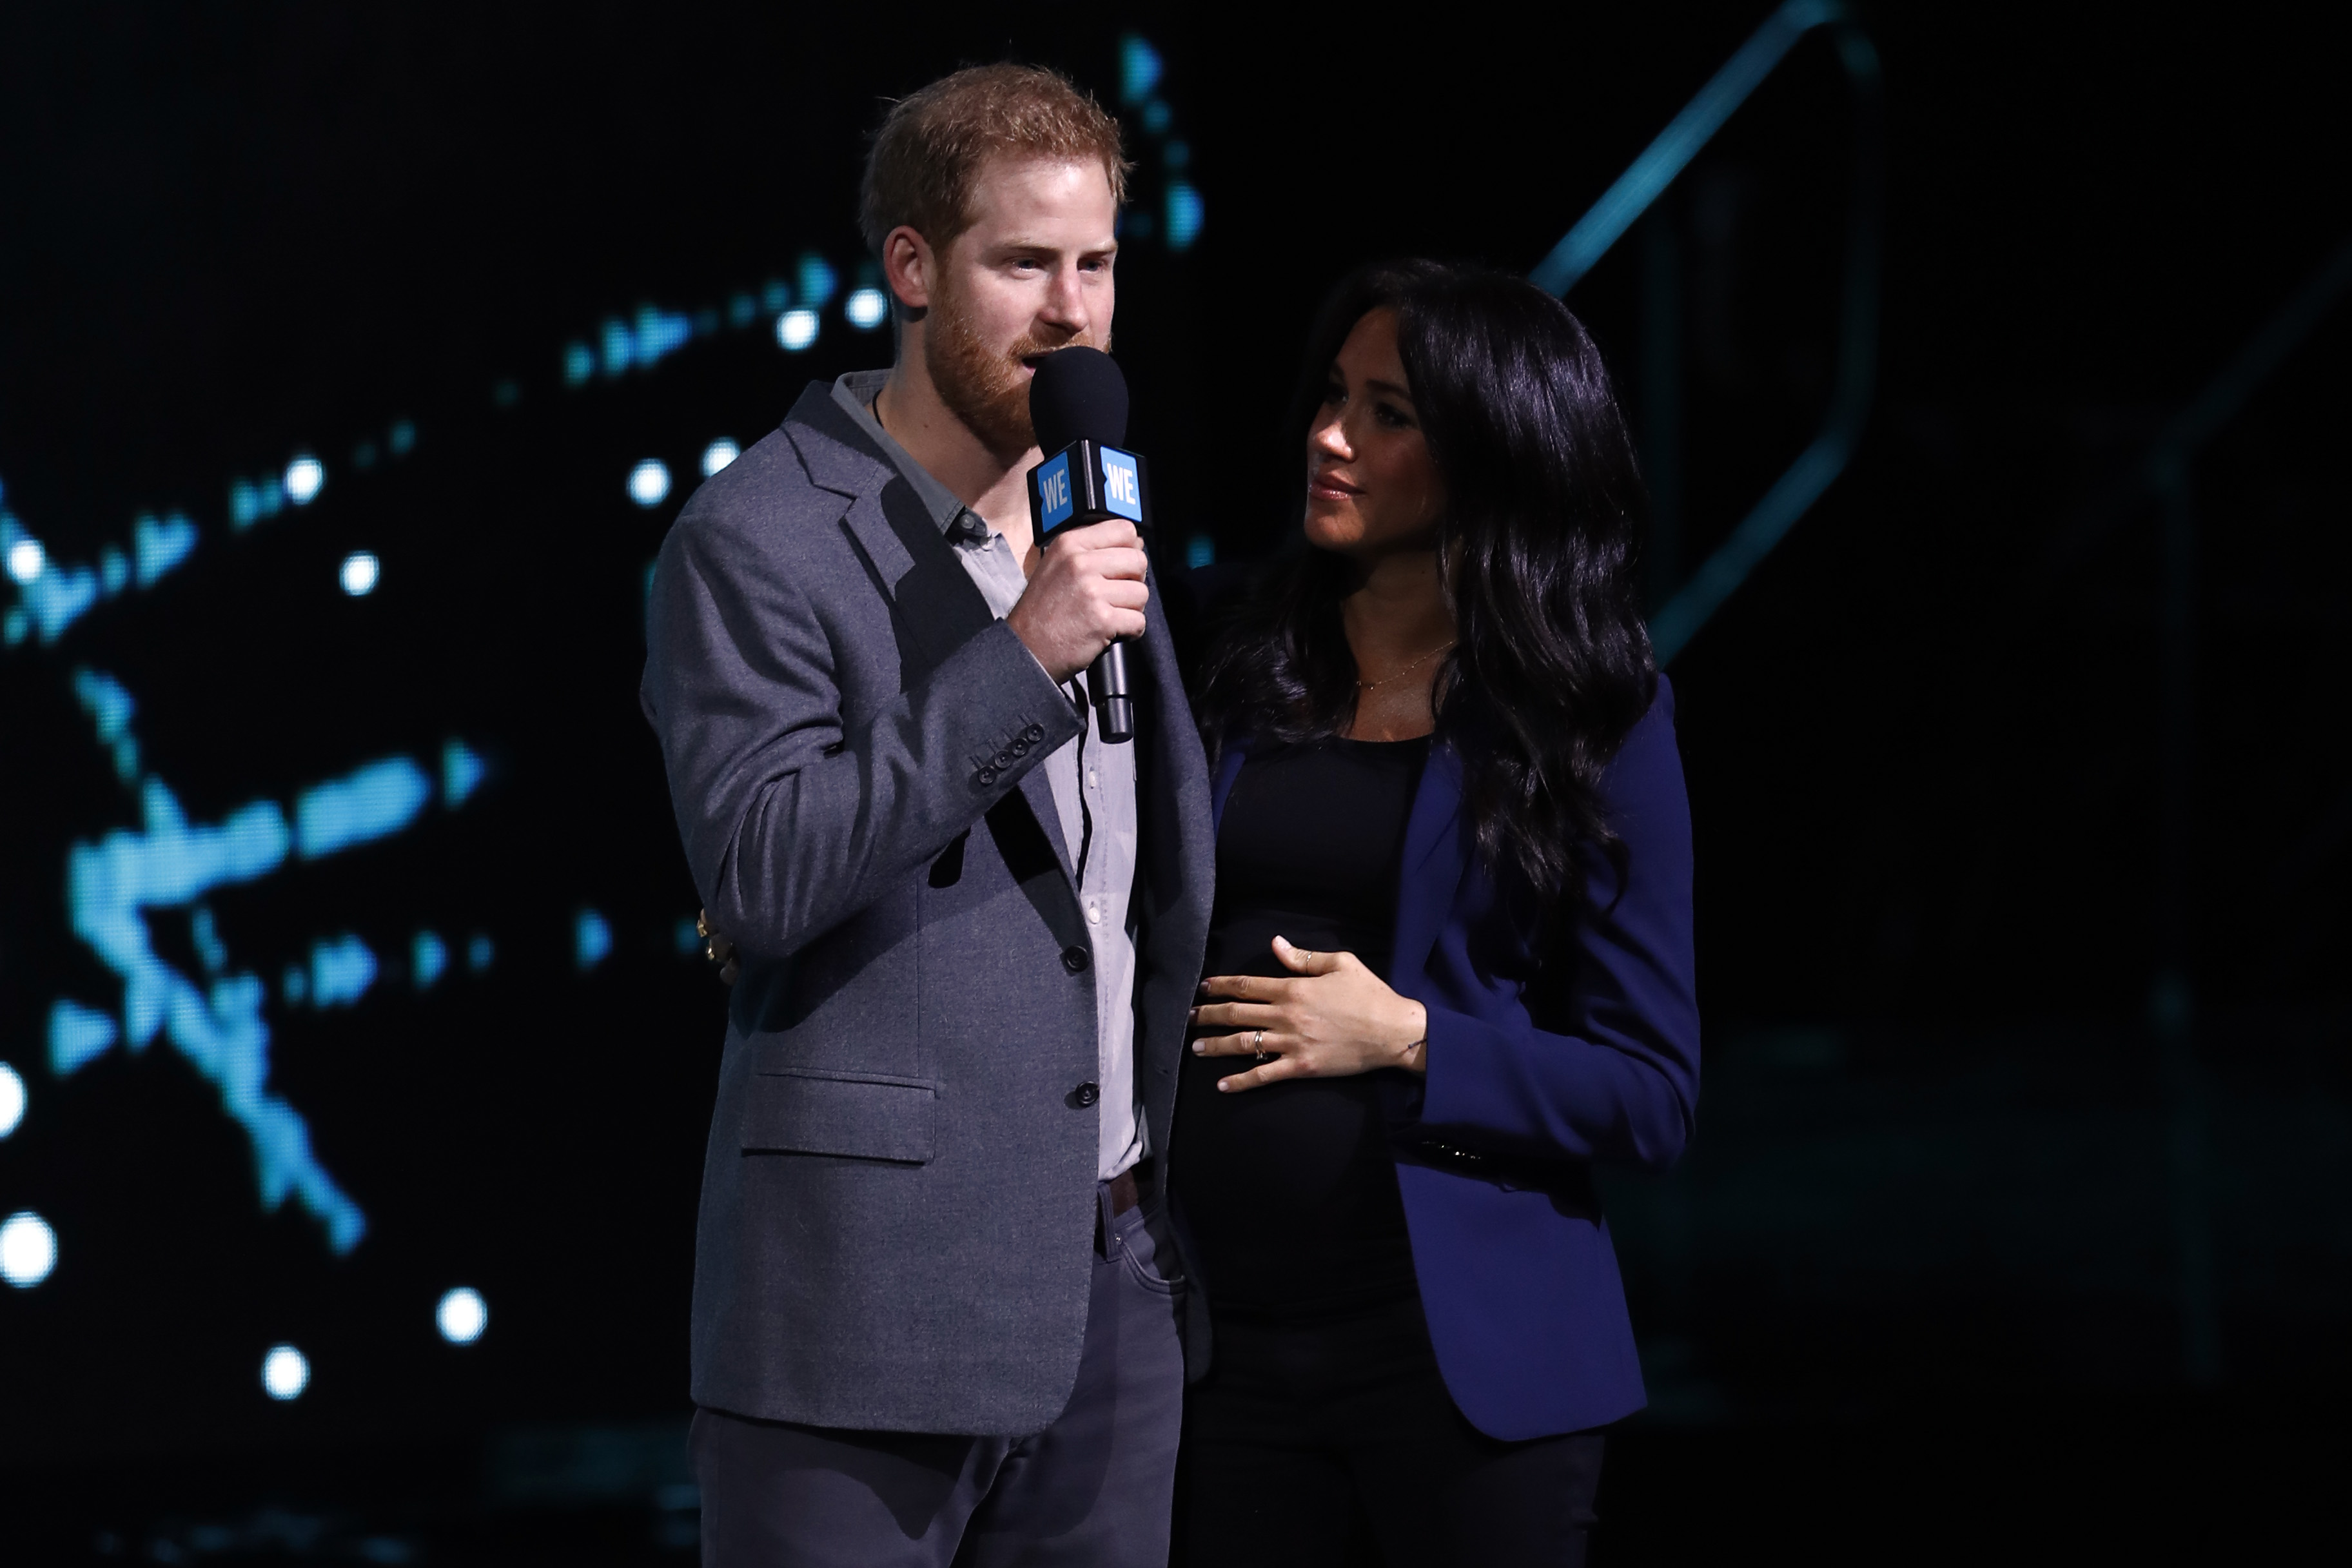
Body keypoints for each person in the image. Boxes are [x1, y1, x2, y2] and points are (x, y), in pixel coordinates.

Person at [640, 64, 1213, 1567]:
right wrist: (1018, 655)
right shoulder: (756, 535)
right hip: (861, 1312)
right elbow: (758, 876)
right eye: (1023, 264)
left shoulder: (1103, 511)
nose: (1070, 312)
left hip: (1106, 1283)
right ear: (911, 266)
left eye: (1095, 265)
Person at [1171, 261, 1700, 1565]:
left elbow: (1652, 1093)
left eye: (1389, 412)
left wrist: (1411, 1037)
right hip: (1214, 1355)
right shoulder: (1227, 649)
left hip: (1459, 1361)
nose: (1330, 435)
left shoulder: (1595, 709)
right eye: (1333, 396)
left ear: (1493, 451)